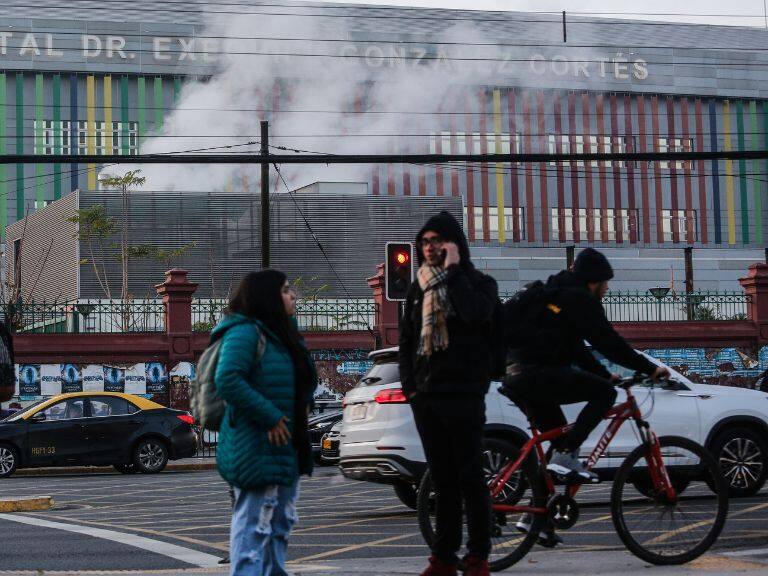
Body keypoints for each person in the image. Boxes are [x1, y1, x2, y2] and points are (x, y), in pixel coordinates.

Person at [507, 248, 668, 543]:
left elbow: (577, 350)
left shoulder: (557, 294)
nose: (607, 289)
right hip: (538, 374)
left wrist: (603, 373)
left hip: (518, 374)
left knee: (557, 447)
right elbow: (609, 344)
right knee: (605, 395)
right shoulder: (579, 299)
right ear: (593, 281)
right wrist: (650, 368)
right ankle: (568, 456)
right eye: (606, 283)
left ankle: (536, 518)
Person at [399, 211, 498, 576]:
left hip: (464, 394)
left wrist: (454, 274)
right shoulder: (417, 288)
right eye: (424, 242)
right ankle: (443, 557)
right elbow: (407, 343)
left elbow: (476, 316)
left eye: (437, 241)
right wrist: (411, 389)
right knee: (443, 480)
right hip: (427, 396)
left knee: (471, 477)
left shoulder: (479, 284)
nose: (429, 248)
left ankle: (478, 557)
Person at [213, 270, 317, 576]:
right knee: (253, 522)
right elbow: (227, 378)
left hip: (287, 443)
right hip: (256, 441)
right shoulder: (245, 332)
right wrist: (270, 416)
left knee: (280, 521)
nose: (293, 296)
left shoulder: (284, 334)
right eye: (286, 291)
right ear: (268, 298)